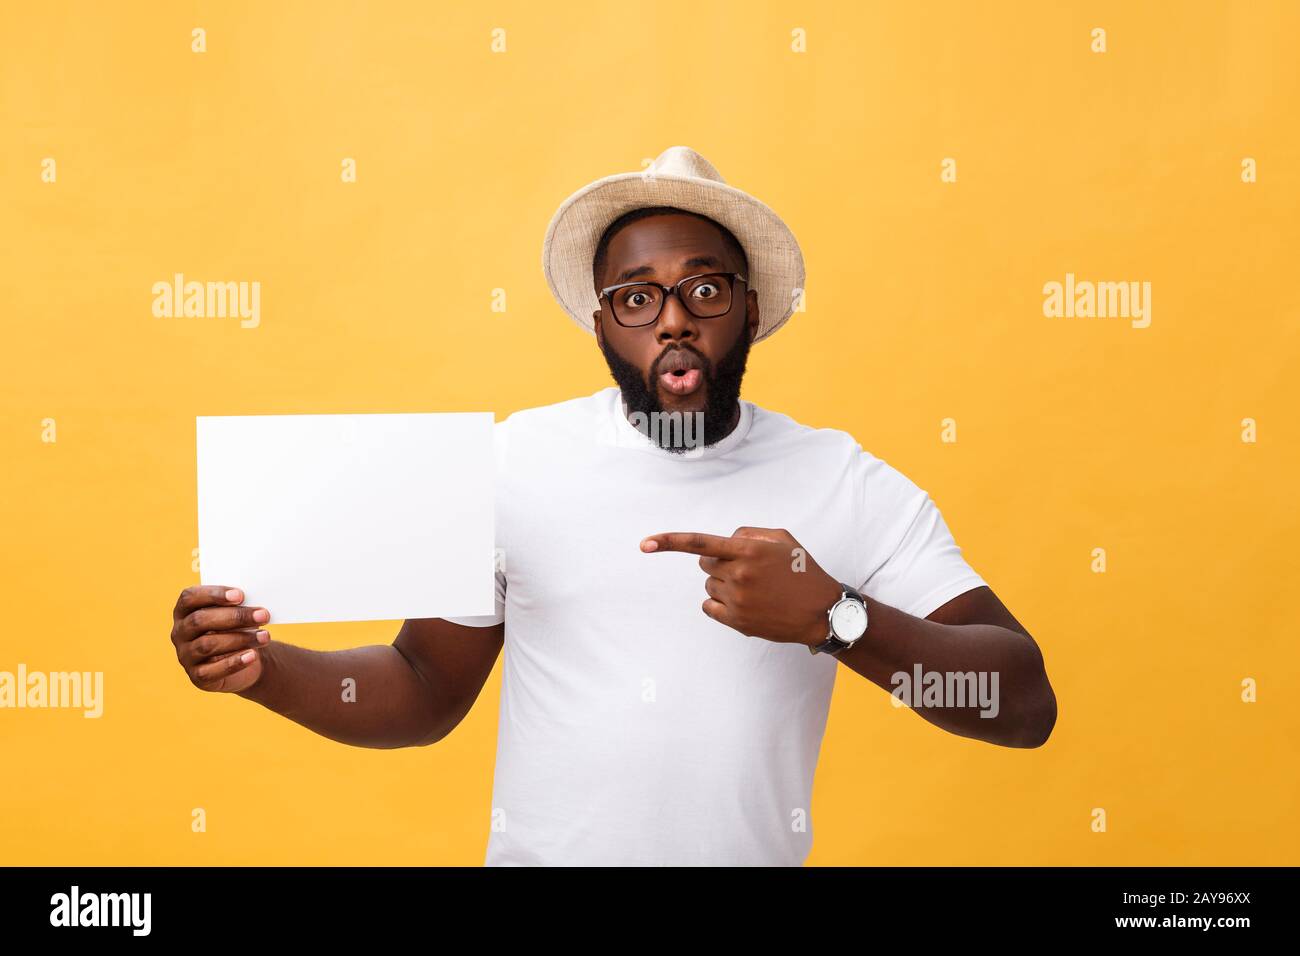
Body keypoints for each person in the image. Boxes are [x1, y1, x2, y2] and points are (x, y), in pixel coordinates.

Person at [170, 146, 1057, 866]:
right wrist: (267, 672)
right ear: (600, 325)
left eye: (704, 290)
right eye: (636, 297)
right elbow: (426, 686)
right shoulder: (513, 461)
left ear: (750, 311)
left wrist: (835, 616)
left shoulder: (845, 481)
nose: (671, 319)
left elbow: (1023, 704)